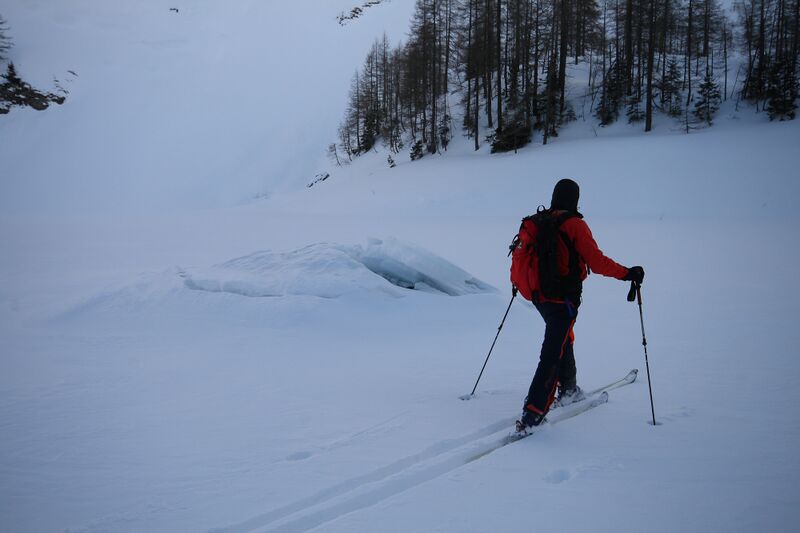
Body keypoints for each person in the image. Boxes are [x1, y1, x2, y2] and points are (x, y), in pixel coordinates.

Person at [514, 178, 644, 432]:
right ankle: (533, 413)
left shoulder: (537, 222)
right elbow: (596, 262)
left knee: (563, 340)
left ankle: (570, 389)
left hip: (539, 297)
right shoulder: (574, 225)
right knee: (551, 353)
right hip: (562, 300)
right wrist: (627, 273)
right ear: (574, 199)